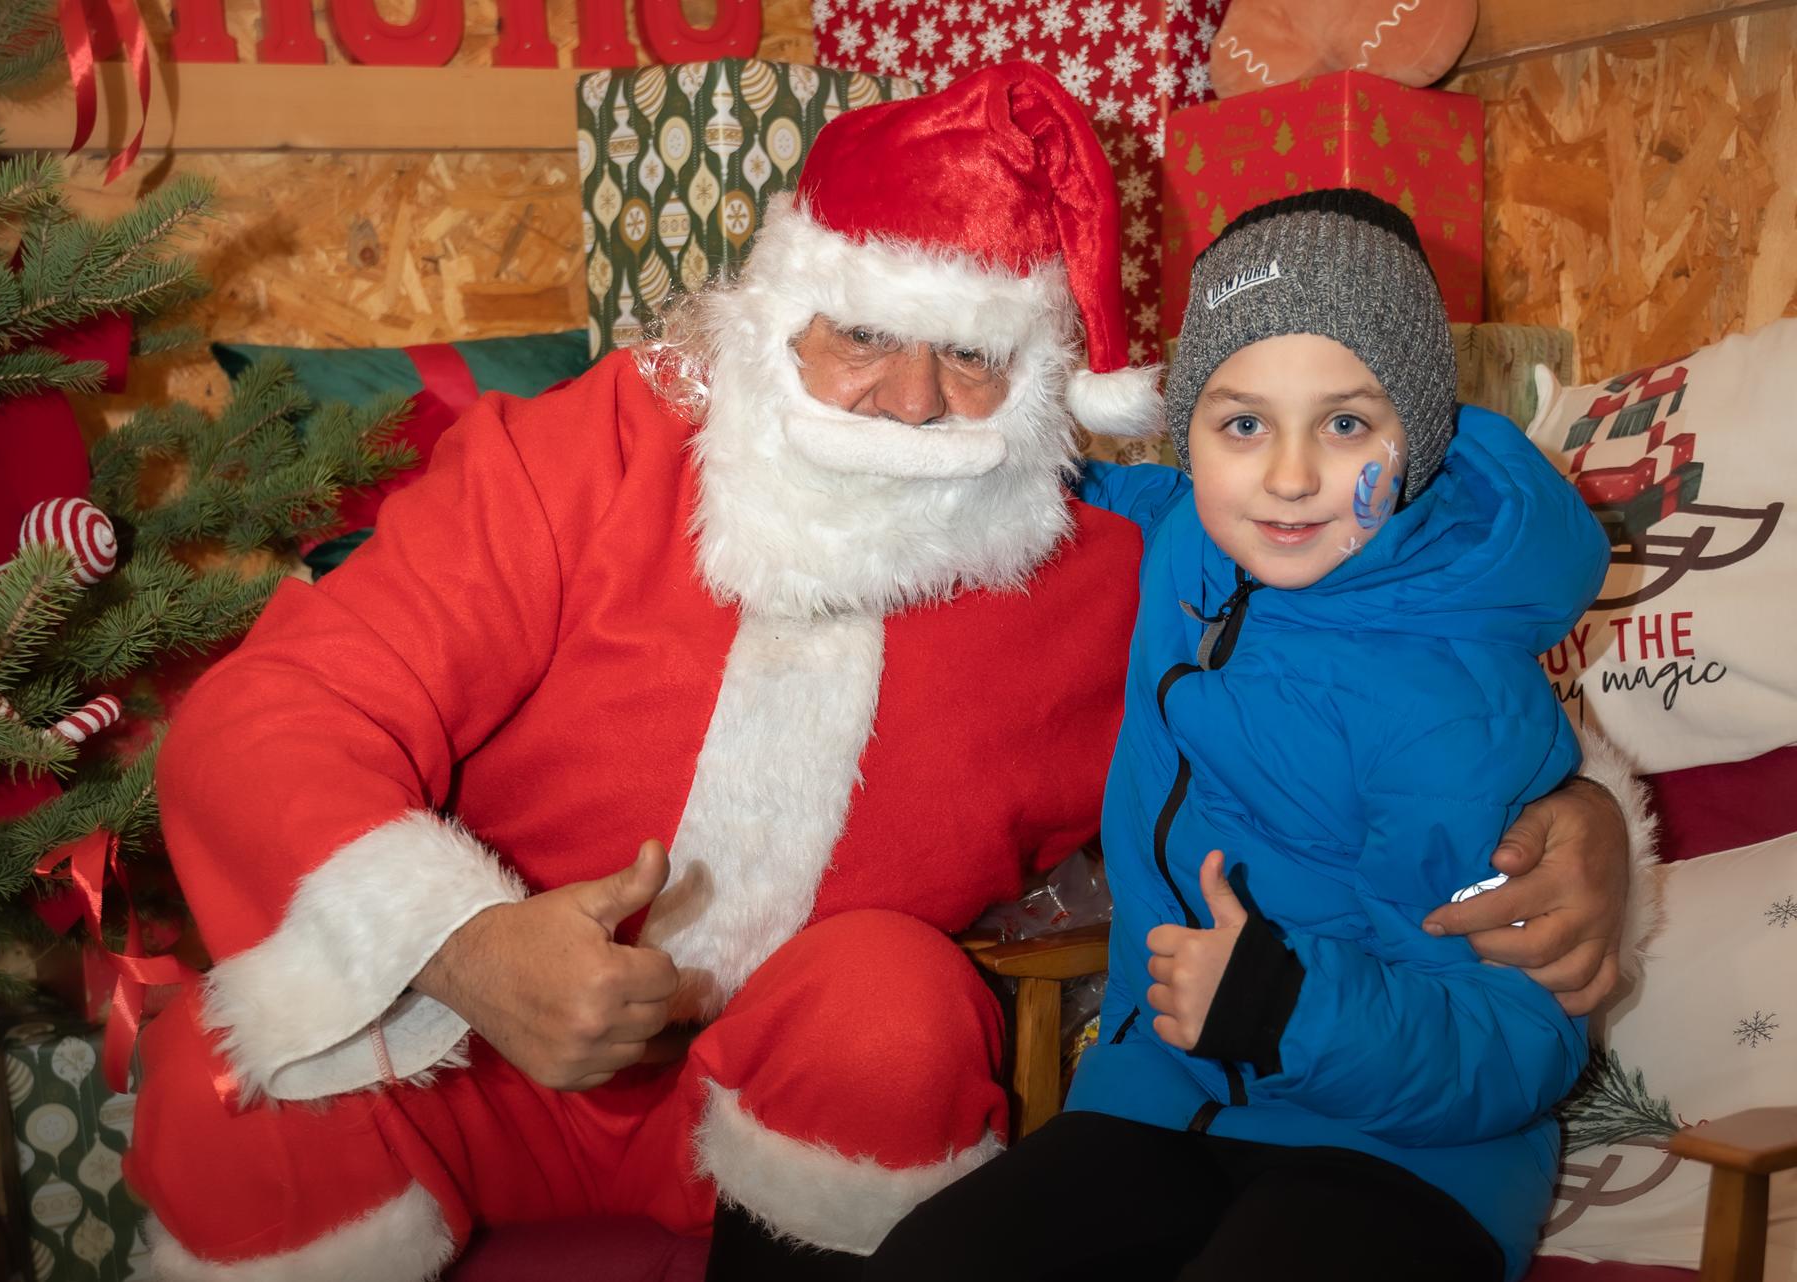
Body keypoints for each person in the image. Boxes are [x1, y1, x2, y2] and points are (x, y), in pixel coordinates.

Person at [125, 66, 1646, 1282]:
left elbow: (1352, 640)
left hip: (785, 1096)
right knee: (225, 1085)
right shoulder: (585, 455)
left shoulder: (1101, 559)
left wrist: (1574, 806)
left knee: (898, 1009)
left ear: (1045, 385)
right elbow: (270, 719)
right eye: (861, 333)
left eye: (972, 357)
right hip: (456, 1063)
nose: (912, 403)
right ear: (772, 315)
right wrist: (464, 944)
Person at [868, 189, 1611, 1282]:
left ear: (1418, 433)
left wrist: (1286, 1008)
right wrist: (934, 436)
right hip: (1161, 1098)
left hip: (1404, 1158)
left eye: (1346, 424)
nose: (1290, 476)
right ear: (1194, 434)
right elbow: (1076, 491)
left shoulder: (1446, 709)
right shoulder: (1194, 535)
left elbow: (1525, 1042)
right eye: (1243, 424)